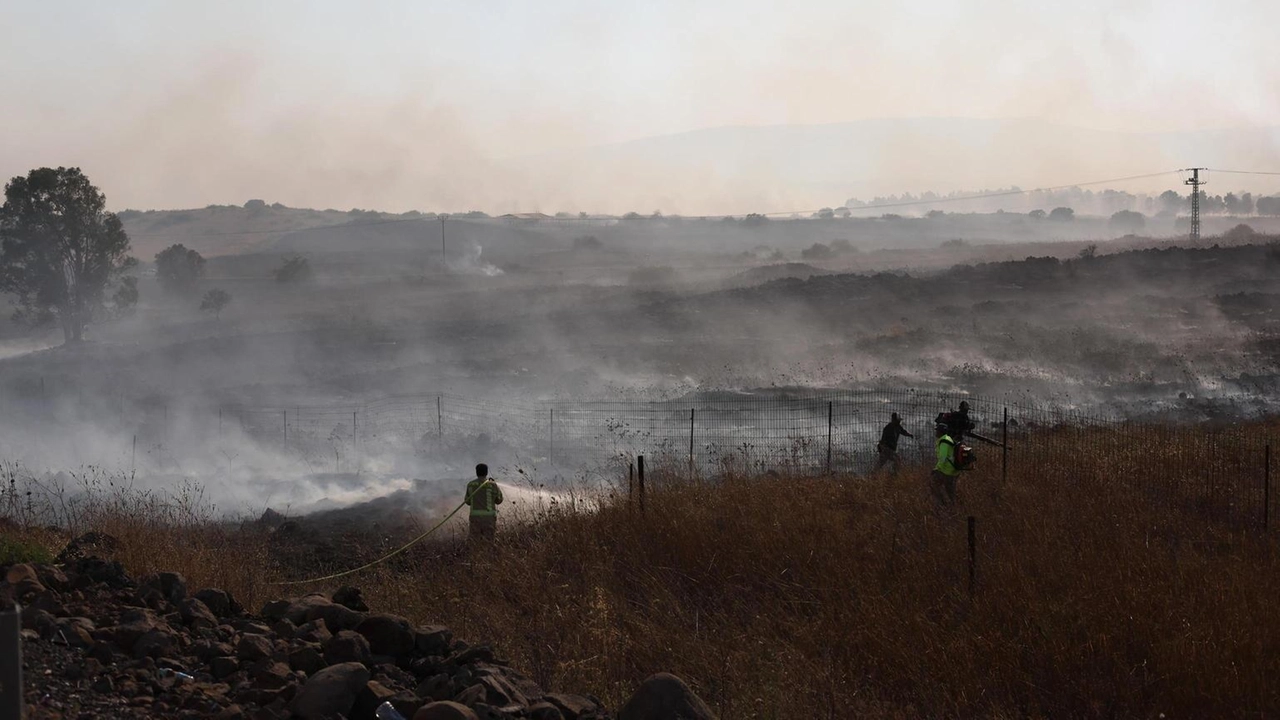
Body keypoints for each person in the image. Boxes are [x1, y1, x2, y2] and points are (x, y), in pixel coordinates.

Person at [465, 463, 503, 540]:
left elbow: (467, 501)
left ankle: (475, 551)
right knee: (489, 540)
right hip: (489, 518)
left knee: (474, 540)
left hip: (475, 518)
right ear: (486, 472)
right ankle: (487, 552)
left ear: (476, 472)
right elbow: (499, 500)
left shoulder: (471, 484)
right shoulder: (492, 485)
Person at [931, 423, 960, 507]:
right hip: (953, 470)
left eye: (937, 431)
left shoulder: (944, 442)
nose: (936, 432)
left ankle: (942, 504)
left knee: (933, 484)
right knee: (950, 490)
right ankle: (952, 506)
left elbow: (943, 458)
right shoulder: (948, 439)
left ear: (940, 432)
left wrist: (937, 468)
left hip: (947, 470)